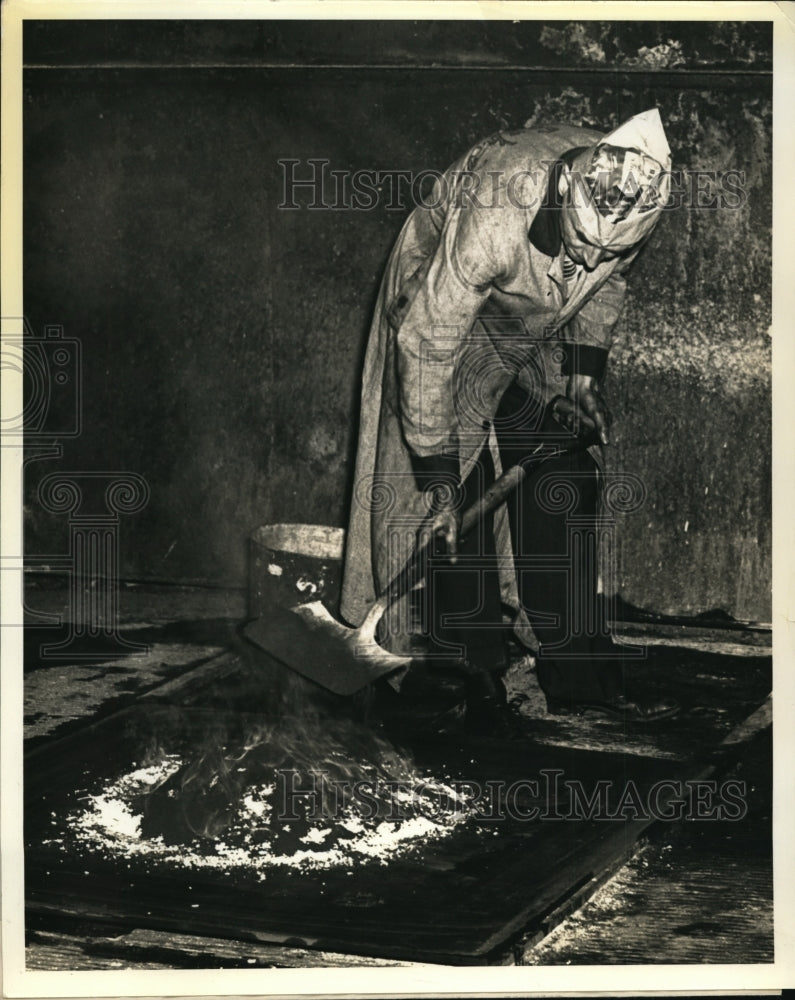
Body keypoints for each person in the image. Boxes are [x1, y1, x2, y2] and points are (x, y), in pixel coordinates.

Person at [340, 108, 680, 732]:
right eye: (585, 244)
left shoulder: (632, 196)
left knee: (566, 464)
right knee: (444, 501)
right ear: (561, 192)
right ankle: (460, 669)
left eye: (610, 248)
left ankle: (574, 665)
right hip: (442, 306)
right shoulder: (495, 214)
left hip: (535, 318)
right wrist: (439, 473)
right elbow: (427, 345)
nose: (592, 257)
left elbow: (607, 282)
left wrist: (581, 375)